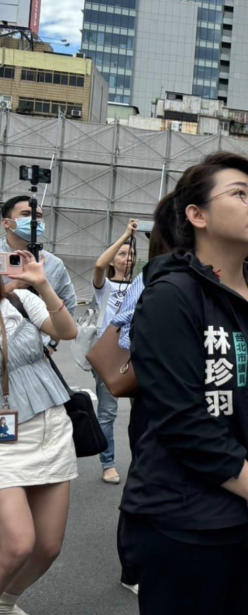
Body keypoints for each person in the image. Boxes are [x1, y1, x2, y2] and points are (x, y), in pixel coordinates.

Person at [118, 152, 248, 615]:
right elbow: (181, 418)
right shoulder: (171, 295)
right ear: (196, 216)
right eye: (240, 195)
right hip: (186, 520)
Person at [0, 250, 79, 615]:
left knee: (48, 546)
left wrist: (42, 283)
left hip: (50, 425)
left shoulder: (21, 297)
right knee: (18, 544)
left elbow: (68, 331)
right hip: (4, 440)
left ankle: (6, 602)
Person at [109, 196, 178, 597]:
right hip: (152, 393)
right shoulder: (152, 276)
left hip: (170, 392)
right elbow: (124, 328)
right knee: (147, 476)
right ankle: (132, 567)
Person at [92, 219, 138, 485]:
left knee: (140, 410)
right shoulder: (105, 287)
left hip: (135, 352)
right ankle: (108, 463)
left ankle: (139, 459)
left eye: (131, 254)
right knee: (107, 413)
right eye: (122, 254)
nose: (127, 257)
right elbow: (99, 265)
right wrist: (125, 236)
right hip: (109, 354)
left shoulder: (141, 285)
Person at [0, 196, 77, 317]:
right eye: (26, 214)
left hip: (41, 332)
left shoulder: (54, 263)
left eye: (39, 216)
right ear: (6, 222)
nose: (34, 220)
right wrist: (13, 286)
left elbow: (69, 304)